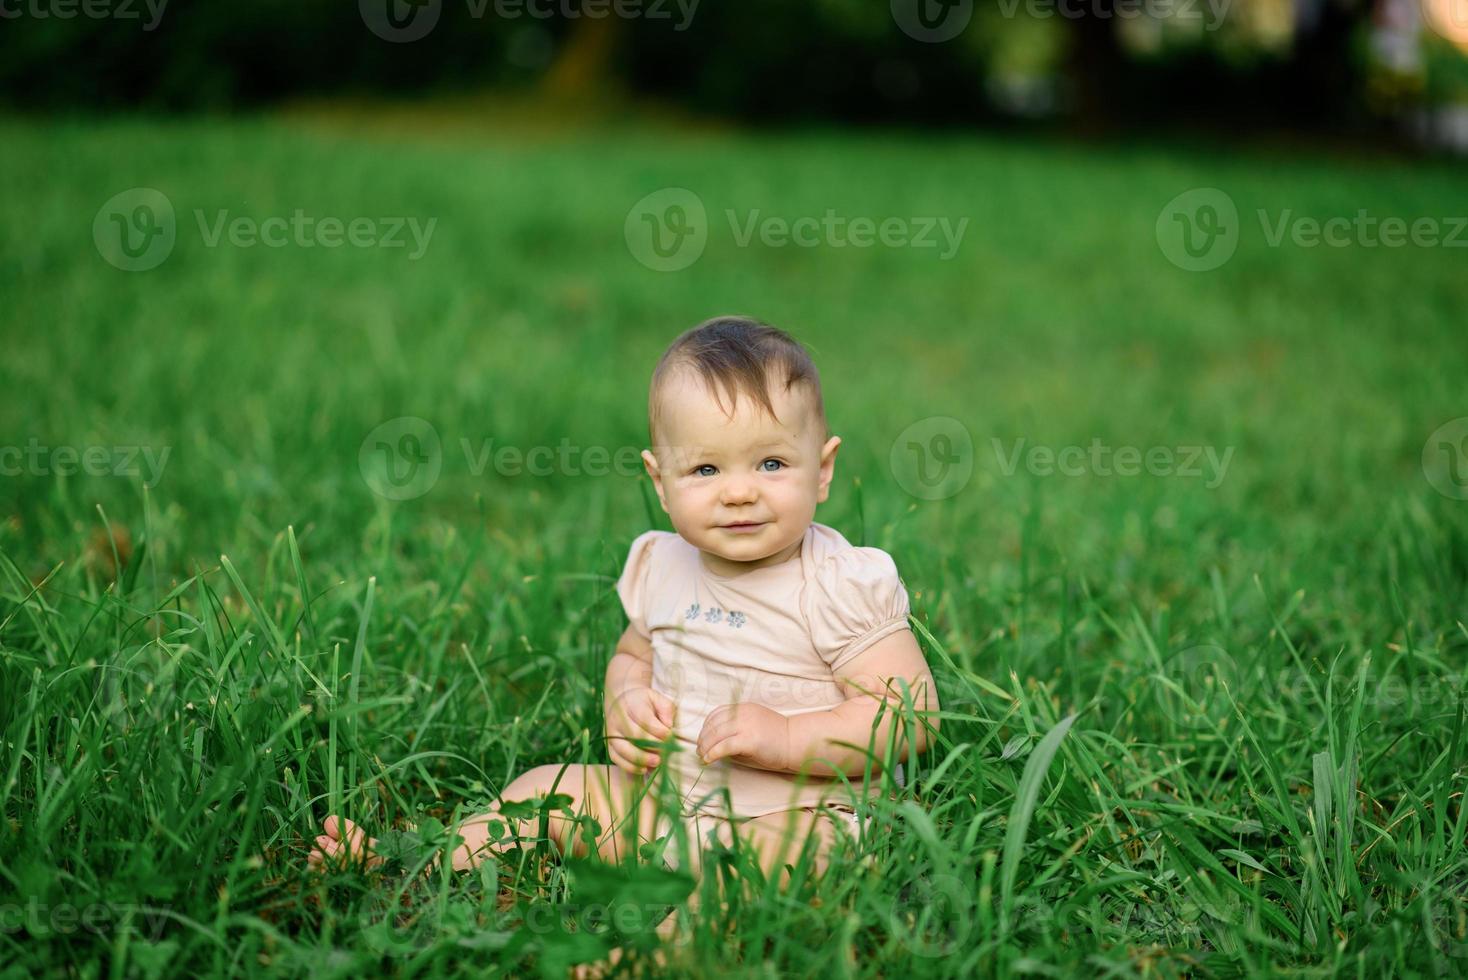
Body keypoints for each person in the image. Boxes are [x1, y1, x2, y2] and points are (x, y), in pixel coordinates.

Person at [308, 315, 941, 954]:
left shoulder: (836, 582)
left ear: (824, 469)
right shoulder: (661, 565)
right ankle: (423, 861)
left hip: (800, 817)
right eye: (704, 471)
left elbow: (909, 715)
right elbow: (632, 655)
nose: (740, 492)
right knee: (544, 791)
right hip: (667, 805)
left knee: (765, 867)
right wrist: (625, 702)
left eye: (772, 462)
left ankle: (657, 951)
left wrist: (786, 738)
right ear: (660, 481)